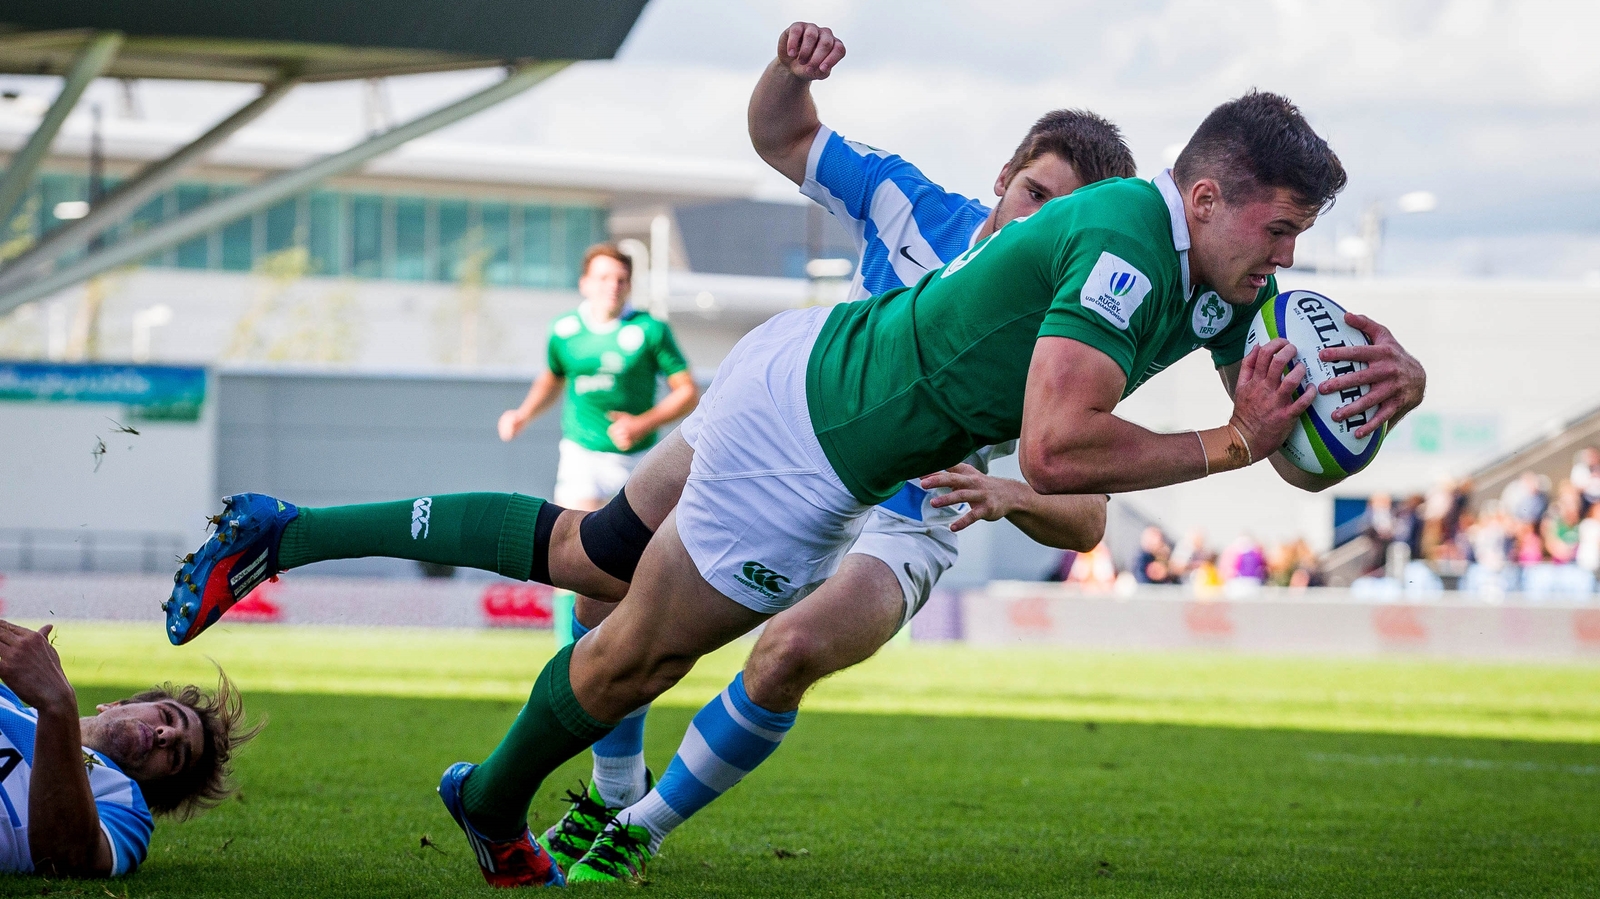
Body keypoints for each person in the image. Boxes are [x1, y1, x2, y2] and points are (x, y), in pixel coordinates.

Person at [164, 89, 1426, 888]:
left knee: (585, 551)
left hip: (806, 373)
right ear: (1205, 199)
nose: (1288, 257)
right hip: (818, 447)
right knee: (627, 662)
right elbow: (1056, 455)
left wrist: (1386, 387)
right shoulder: (1121, 241)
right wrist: (1225, 445)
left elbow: (1299, 420)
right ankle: (492, 807)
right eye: (1278, 229)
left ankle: (287, 530)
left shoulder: (1222, 274)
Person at [547, 22, 1120, 882]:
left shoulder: (1081, 330)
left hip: (907, 517)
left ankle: (642, 828)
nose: (1040, 223)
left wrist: (1011, 496)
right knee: (602, 591)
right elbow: (783, 133)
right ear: (1002, 181)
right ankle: (610, 789)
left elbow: (1088, 518)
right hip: (787, 452)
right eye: (1034, 193)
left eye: (1066, 215)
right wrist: (787, 69)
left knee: (789, 652)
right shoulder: (911, 204)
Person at [496, 242, 699, 640]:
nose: (614, 286)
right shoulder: (564, 331)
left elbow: (687, 392)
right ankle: (566, 655)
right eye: (605, 277)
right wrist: (522, 413)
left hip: (638, 462)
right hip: (581, 453)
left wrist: (642, 423)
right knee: (570, 554)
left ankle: (618, 649)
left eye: (622, 279)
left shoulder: (648, 329)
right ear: (585, 283)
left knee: (632, 566)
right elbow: (552, 378)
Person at [0, 619, 258, 878]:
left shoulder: (124, 808)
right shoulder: (8, 701)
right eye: (167, 716)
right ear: (114, 704)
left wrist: (58, 704)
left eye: (176, 756)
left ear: (159, 786)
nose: (166, 735)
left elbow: (69, 859)